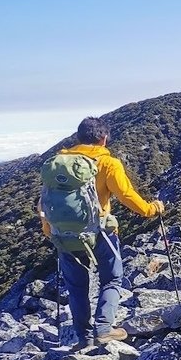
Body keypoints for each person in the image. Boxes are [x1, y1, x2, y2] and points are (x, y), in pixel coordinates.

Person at [39, 117, 164, 347]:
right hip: (100, 233)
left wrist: (49, 230)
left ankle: (84, 338)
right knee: (112, 279)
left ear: (78, 138)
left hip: (64, 236)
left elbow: (45, 202)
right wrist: (151, 209)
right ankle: (104, 329)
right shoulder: (108, 164)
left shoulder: (57, 163)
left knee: (77, 287)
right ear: (104, 139)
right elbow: (126, 196)